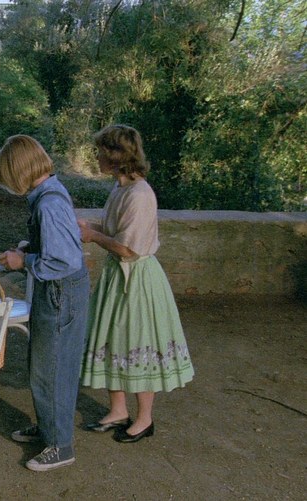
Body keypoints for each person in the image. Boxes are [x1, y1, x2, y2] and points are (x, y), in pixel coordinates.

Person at [79, 124, 194, 443]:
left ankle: (144, 419)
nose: (97, 157)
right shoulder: (121, 188)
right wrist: (91, 227)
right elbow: (117, 231)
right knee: (113, 339)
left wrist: (92, 236)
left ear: (116, 156)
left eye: (101, 152)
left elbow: (129, 248)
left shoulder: (140, 194)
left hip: (138, 279)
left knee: (138, 341)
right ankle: (118, 410)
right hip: (118, 275)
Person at [0, 135, 91, 472]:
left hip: (61, 293)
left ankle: (60, 445)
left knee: (54, 369)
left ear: (18, 172)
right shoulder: (48, 193)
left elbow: (64, 261)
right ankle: (49, 427)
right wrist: (28, 248)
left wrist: (23, 261)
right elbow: (56, 245)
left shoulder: (48, 204)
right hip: (57, 292)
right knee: (43, 364)